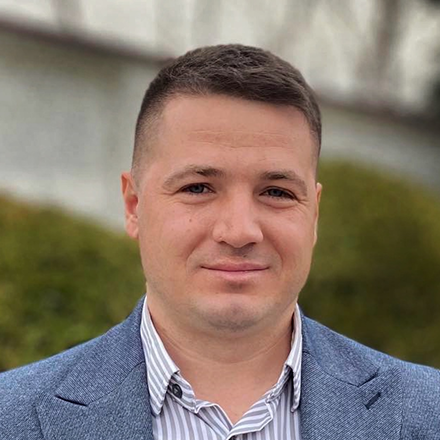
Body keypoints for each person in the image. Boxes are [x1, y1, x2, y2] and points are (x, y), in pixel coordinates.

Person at [1, 44, 439, 440]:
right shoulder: (13, 419)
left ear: (314, 215)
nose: (240, 231)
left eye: (277, 192)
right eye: (198, 187)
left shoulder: (427, 415)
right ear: (134, 205)